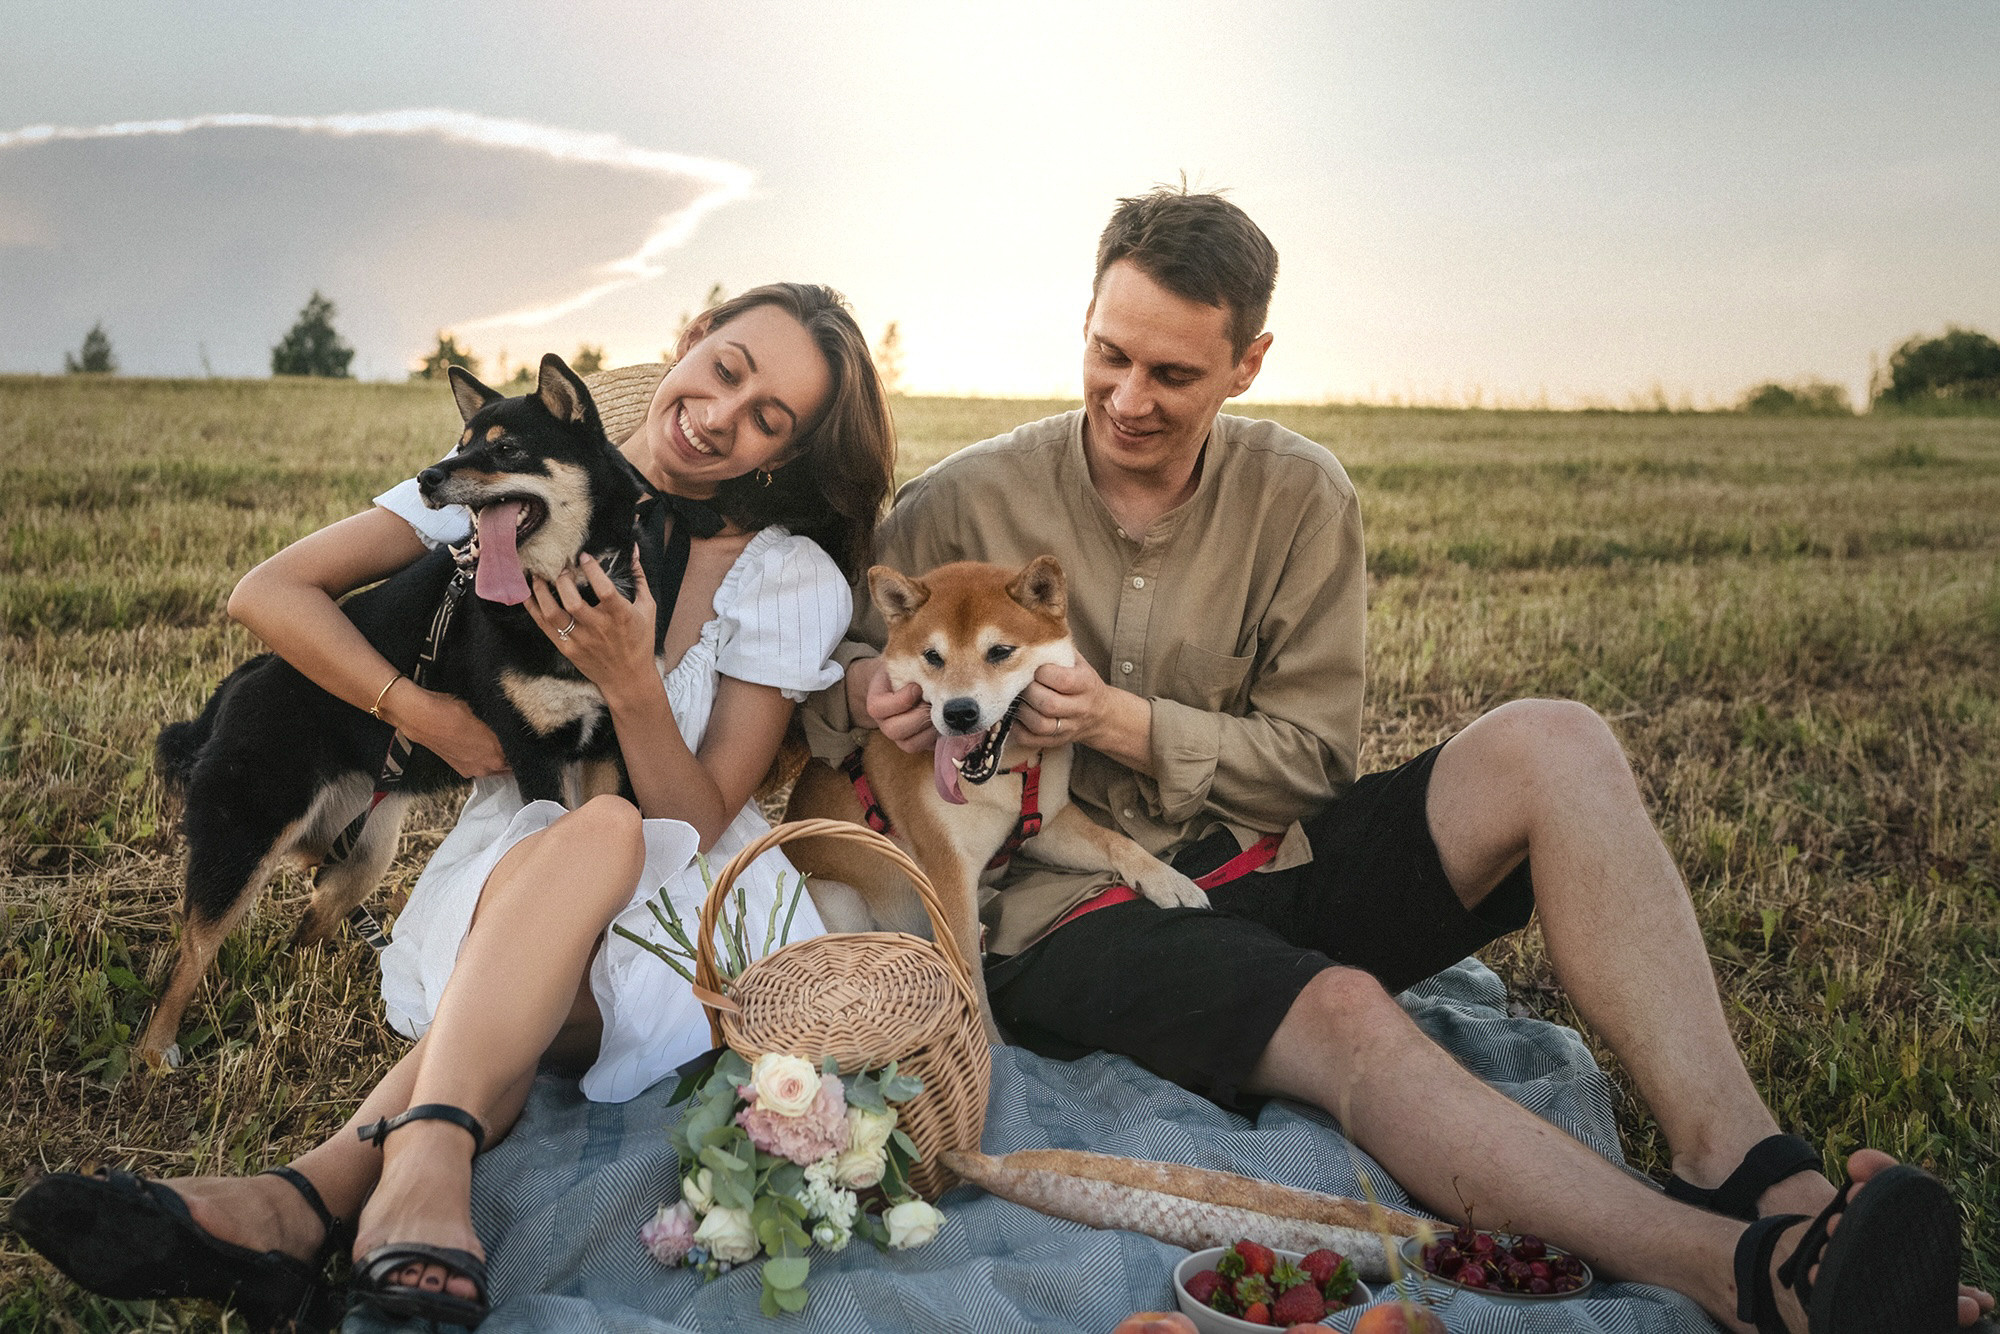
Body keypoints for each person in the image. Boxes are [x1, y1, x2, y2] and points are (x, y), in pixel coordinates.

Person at [803, 191, 1993, 1333]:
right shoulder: (961, 503)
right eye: (1109, 354)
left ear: (1247, 362)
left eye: (1171, 373)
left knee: (1554, 737)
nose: (1126, 396)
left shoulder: (1299, 493)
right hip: (1076, 912)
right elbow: (830, 672)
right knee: (1344, 1008)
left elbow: (1312, 762)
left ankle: (1752, 1167)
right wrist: (877, 693)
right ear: (1085, 321)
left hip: (1267, 851)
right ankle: (1740, 1273)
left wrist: (1122, 721)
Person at [12, 282, 896, 1329]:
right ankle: (356, 1196)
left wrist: (632, 684)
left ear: (784, 456)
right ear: (692, 340)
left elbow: (695, 820)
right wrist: (421, 712)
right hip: (525, 857)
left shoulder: (784, 577)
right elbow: (266, 593)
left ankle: (315, 1192)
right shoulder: (505, 478)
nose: (721, 415)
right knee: (578, 853)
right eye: (727, 369)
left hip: (688, 900)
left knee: (606, 833)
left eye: (767, 419)